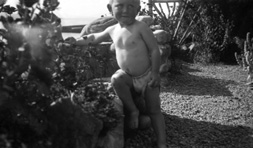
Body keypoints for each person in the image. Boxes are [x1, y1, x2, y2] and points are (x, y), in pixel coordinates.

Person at [65, 0, 167, 147]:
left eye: (131, 6)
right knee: (116, 78)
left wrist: (156, 73)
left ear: (138, 10)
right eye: (120, 5)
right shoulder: (112, 29)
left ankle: (161, 142)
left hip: (147, 75)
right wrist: (75, 41)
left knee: (154, 110)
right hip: (128, 78)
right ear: (110, 8)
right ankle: (133, 111)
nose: (125, 10)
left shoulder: (141, 27)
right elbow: (94, 38)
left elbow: (154, 50)